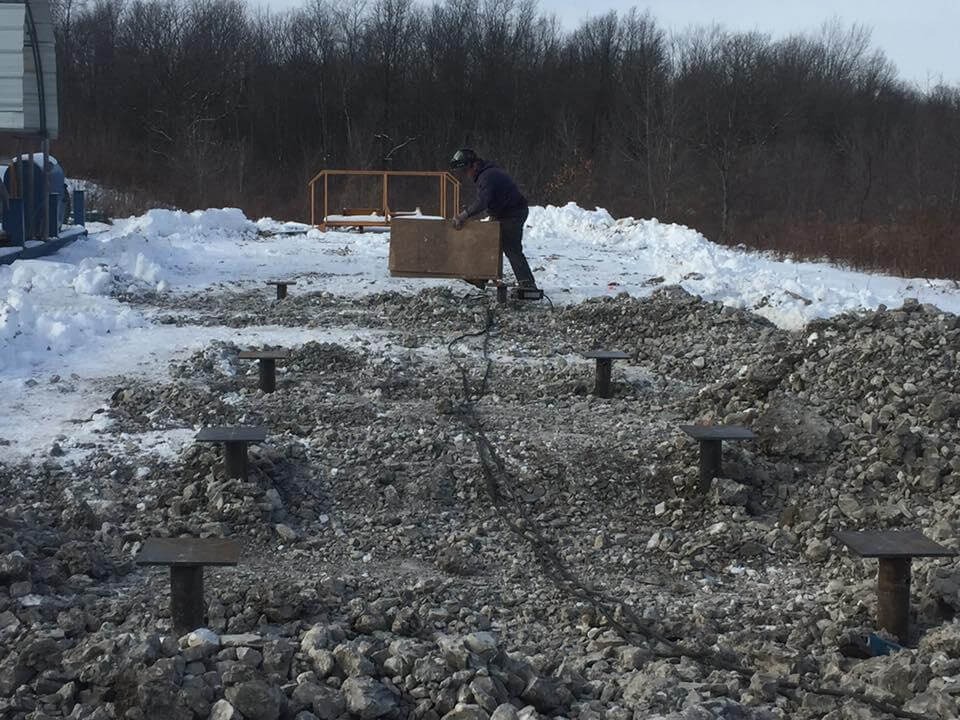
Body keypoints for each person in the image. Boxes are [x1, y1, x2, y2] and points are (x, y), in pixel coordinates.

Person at [449, 148, 537, 289]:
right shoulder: (486, 173)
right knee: (489, 242)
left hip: (513, 213)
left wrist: (463, 215)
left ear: (474, 165)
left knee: (511, 248)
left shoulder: (487, 176)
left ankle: (528, 284)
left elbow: (483, 201)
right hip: (504, 212)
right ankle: (481, 277)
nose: (467, 175)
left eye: (466, 171)